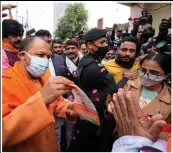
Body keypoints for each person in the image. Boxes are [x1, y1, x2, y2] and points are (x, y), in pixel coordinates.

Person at [2, 36, 79, 152]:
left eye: (48, 56)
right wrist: (42, 98)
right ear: (22, 56)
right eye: (40, 55)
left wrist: (69, 108)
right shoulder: (5, 82)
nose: (45, 61)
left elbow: (56, 103)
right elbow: (4, 132)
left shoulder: (44, 77)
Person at [68, 28, 120, 152]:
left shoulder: (86, 60)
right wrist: (127, 78)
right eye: (102, 43)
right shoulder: (93, 67)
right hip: (92, 115)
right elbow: (114, 88)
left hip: (88, 112)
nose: (106, 45)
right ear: (90, 45)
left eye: (106, 42)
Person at [124, 52, 171, 123]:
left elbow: (168, 129)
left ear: (166, 75)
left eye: (154, 72)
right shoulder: (129, 84)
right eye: (143, 70)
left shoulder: (170, 99)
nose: (146, 75)